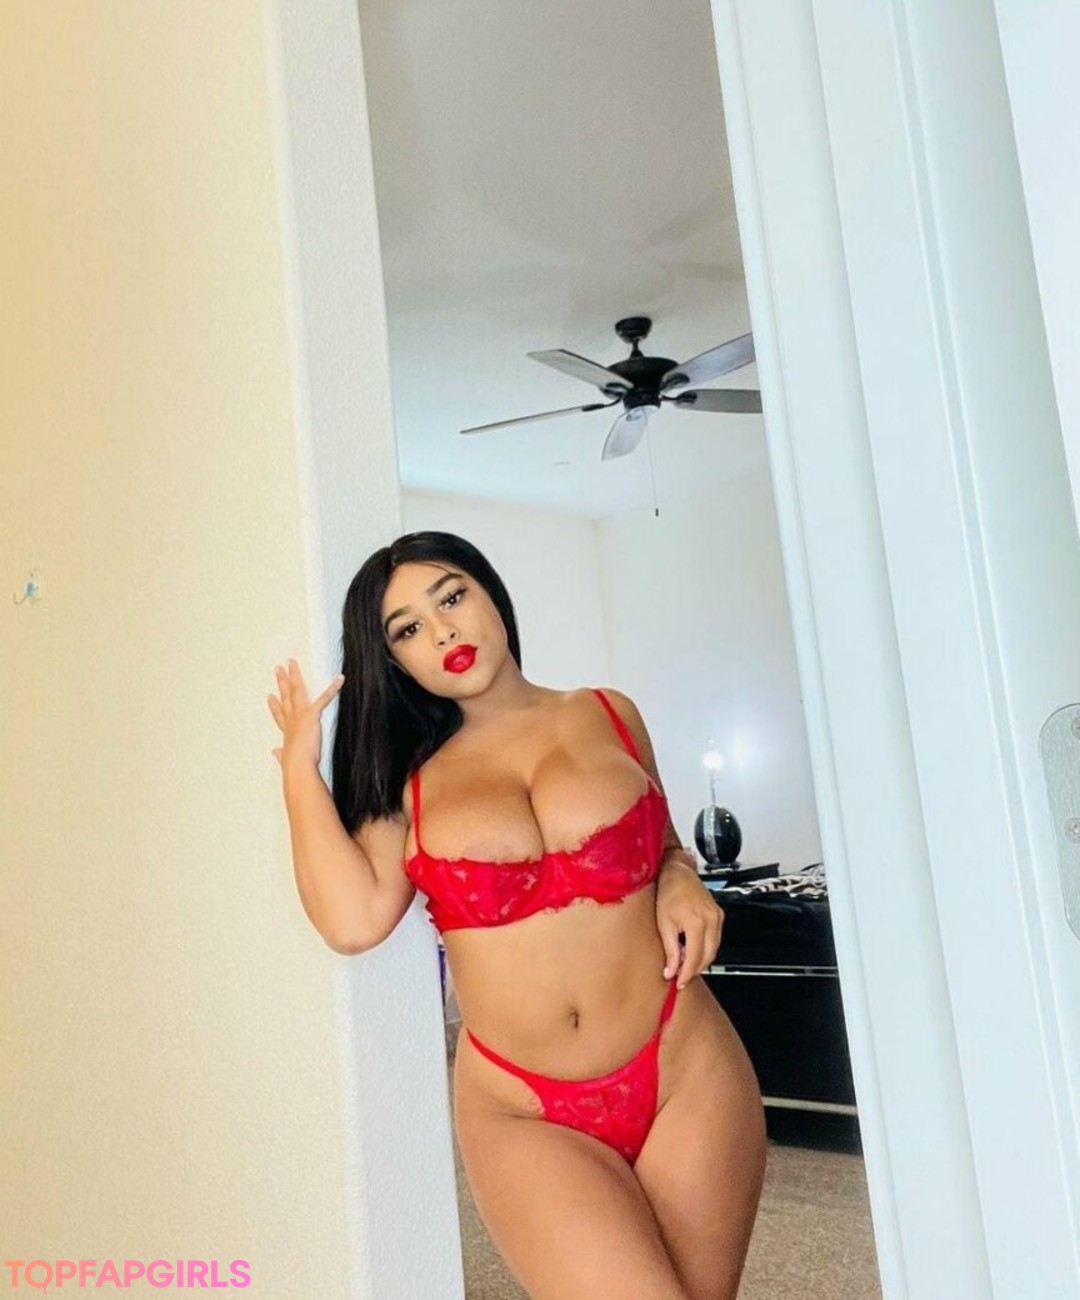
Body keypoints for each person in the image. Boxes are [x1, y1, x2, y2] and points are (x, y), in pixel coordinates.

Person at [267, 530, 766, 1300]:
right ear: (393, 660)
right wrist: (298, 770)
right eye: (408, 629)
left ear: (490, 593)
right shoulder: (406, 780)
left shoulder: (609, 712)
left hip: (685, 1063)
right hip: (525, 1109)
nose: (443, 632)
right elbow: (353, 919)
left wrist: (679, 874)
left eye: (452, 596)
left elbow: (662, 841)